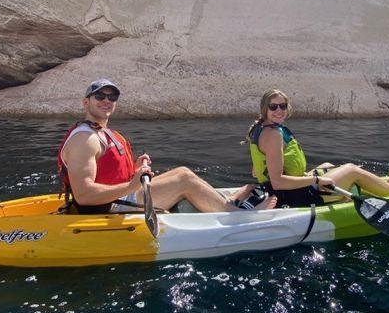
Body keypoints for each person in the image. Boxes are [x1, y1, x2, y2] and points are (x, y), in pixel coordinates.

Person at [57, 79, 277, 214]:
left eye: (112, 96)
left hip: (120, 196)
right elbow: (84, 195)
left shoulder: (104, 133)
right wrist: (131, 186)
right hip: (107, 206)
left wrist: (135, 169)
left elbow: (109, 175)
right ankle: (237, 214)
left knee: (182, 171)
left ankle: (225, 202)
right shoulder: (84, 139)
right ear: (86, 102)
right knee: (184, 179)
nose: (107, 100)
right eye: (100, 96)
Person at [245, 88, 389, 208]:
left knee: (327, 165)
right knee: (351, 170)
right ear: (265, 109)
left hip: (281, 190)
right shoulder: (273, 134)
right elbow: (277, 181)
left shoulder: (260, 128)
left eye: (283, 106)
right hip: (290, 197)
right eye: (273, 106)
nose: (279, 110)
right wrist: (315, 181)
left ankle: (383, 187)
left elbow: (258, 168)